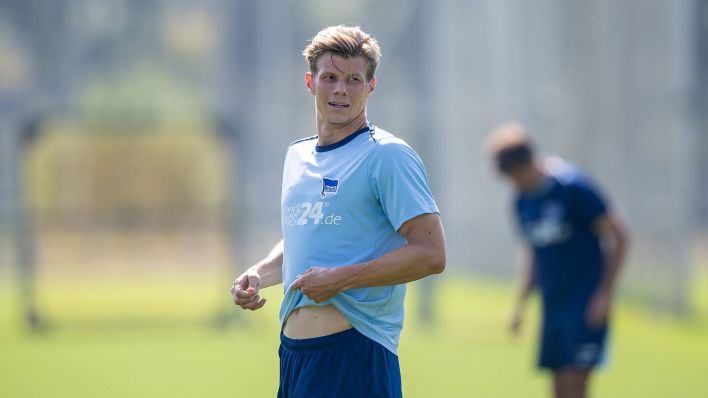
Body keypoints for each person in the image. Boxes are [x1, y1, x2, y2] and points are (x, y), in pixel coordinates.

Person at [230, 25, 446, 398]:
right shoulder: (296, 155)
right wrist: (258, 273)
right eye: (330, 78)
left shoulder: (386, 155)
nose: (341, 90)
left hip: (355, 355)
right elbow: (305, 238)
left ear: (371, 87)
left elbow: (430, 254)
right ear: (311, 83)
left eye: (353, 80)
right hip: (295, 358)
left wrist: (341, 279)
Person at [485, 123, 628, 398]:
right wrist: (521, 304)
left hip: (585, 304)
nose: (515, 184)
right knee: (559, 389)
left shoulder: (573, 188)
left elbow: (620, 236)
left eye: (516, 176)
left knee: (576, 387)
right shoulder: (521, 201)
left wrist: (605, 293)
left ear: (527, 163)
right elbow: (533, 252)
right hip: (553, 307)